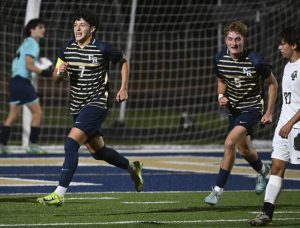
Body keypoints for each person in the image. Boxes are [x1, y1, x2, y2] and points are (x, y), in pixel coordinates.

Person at [37, 9, 144, 206]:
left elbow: (123, 61)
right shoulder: (66, 49)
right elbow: (55, 78)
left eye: (82, 25)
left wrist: (123, 88)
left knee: (71, 143)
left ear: (92, 29)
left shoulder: (103, 48)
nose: (77, 28)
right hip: (77, 106)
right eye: (75, 24)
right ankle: (133, 168)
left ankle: (59, 193)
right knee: (99, 152)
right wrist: (59, 73)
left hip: (97, 103)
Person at [204, 21, 278, 206]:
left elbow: (273, 84)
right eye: (230, 39)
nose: (233, 43)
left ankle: (217, 191)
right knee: (244, 149)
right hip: (234, 110)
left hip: (252, 107)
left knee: (229, 143)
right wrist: (221, 95)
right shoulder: (220, 58)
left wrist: (268, 112)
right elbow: (221, 79)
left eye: (237, 39)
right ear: (225, 40)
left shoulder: (256, 61)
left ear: (244, 40)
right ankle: (263, 171)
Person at [249, 27, 300, 226]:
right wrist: (271, 114)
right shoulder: (288, 66)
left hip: (296, 127)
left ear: (294, 45)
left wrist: (289, 123)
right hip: (284, 127)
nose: (279, 47)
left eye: (283, 44)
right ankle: (266, 213)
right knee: (277, 167)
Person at [0, 18, 52, 154]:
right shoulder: (33, 44)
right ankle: (32, 145)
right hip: (22, 82)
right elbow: (29, 64)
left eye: (43, 27)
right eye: (40, 27)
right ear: (32, 30)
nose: (43, 30)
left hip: (14, 82)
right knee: (38, 112)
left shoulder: (24, 44)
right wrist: (44, 72)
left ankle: (1, 145)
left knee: (12, 116)